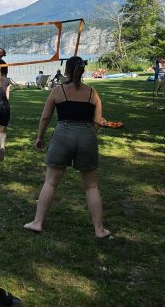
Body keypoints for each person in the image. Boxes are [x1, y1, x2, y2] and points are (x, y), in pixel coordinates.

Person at [24, 56, 110, 238]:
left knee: (51, 182)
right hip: (87, 135)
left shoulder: (58, 91)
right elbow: (97, 122)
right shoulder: (92, 93)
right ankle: (99, 229)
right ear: (83, 71)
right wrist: (88, 133)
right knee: (92, 186)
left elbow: (45, 118)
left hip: (62, 135)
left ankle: (38, 222)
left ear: (67, 72)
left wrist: (40, 137)